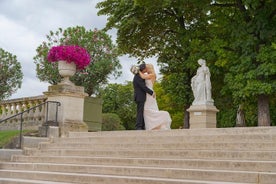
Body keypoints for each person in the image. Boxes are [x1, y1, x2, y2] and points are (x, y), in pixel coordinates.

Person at [139, 64, 171, 130]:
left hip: (150, 94)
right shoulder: (149, 75)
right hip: (148, 93)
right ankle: (155, 125)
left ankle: (162, 118)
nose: (145, 70)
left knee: (147, 109)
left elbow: (142, 76)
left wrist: (137, 70)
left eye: (146, 68)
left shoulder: (152, 75)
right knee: (149, 109)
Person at [132, 63, 154, 130]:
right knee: (140, 111)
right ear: (143, 69)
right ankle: (138, 126)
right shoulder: (138, 76)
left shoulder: (140, 75)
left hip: (141, 96)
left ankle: (142, 126)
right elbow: (143, 87)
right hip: (140, 96)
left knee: (142, 111)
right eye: (145, 69)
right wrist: (151, 92)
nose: (146, 70)